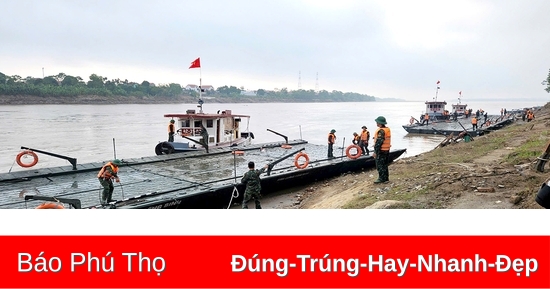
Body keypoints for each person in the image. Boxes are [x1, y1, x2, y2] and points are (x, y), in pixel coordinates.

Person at [373, 116, 391, 184]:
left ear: (380, 123)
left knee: (380, 165)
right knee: (384, 165)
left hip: (381, 150)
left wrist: (375, 152)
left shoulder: (381, 131)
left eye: (377, 122)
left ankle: (381, 178)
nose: (376, 123)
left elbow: (379, 142)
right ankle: (386, 178)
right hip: (386, 150)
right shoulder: (387, 129)